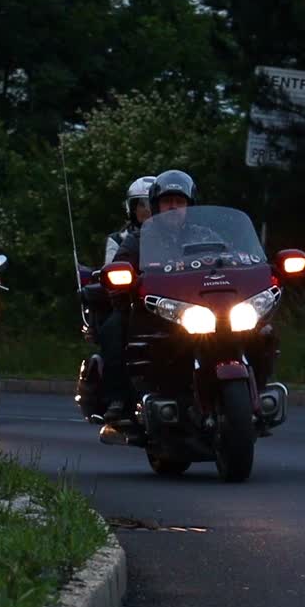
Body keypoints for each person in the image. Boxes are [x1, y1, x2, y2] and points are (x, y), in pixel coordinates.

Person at [98, 170, 206, 420]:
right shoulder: (138, 239)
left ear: (190, 206)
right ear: (157, 206)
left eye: (180, 202)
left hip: (198, 308)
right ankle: (118, 397)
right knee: (113, 328)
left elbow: (229, 259)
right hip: (152, 310)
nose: (173, 207)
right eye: (168, 201)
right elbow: (118, 270)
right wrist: (124, 285)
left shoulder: (204, 235)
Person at [104, 176, 155, 265]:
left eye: (151, 205)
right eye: (142, 204)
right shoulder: (118, 239)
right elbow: (109, 272)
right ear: (133, 209)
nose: (147, 210)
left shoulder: (173, 237)